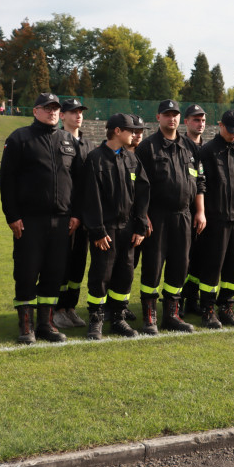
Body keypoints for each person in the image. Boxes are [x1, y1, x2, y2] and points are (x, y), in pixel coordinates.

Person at [0, 93, 83, 344]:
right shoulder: (19, 138)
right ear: (35, 111)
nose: (52, 112)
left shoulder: (69, 140)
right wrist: (12, 216)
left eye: (56, 108)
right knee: (26, 272)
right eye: (47, 108)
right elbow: (6, 181)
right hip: (29, 221)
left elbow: (80, 182)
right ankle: (26, 327)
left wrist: (76, 214)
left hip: (62, 221)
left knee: (54, 273)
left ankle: (46, 325)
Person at [135, 99, 205, 334]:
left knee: (179, 265)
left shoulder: (190, 147)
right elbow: (139, 186)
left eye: (175, 114)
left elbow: (199, 180)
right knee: (153, 266)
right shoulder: (147, 147)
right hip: (157, 217)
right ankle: (149, 317)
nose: (172, 118)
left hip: (184, 216)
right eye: (167, 114)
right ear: (158, 118)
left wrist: (200, 211)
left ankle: (172, 315)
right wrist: (143, 215)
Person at [82, 114, 150, 340]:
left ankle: (118, 318)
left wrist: (140, 227)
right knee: (101, 275)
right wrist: (98, 231)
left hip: (128, 230)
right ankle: (96, 320)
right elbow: (90, 198)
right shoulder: (95, 159)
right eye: (131, 130)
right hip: (106, 230)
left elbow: (142, 194)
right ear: (117, 131)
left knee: (125, 274)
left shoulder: (132, 160)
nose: (135, 134)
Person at [194, 110, 234, 329]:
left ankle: (226, 308)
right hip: (216, 218)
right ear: (221, 126)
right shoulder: (207, 151)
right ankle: (208, 310)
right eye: (231, 130)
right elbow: (202, 184)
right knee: (212, 265)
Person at [55, 98, 92, 329]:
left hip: (84, 215)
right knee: (62, 262)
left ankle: (70, 307)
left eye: (80, 112)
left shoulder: (88, 144)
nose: (77, 115)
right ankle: (57, 309)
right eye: (72, 112)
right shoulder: (56, 140)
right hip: (64, 214)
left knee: (78, 263)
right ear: (62, 116)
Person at [180, 103, 207, 314]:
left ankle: (192, 299)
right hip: (183, 212)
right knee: (182, 258)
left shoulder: (207, 149)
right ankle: (176, 301)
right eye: (196, 120)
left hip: (204, 212)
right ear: (186, 121)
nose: (200, 124)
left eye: (203, 120)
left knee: (199, 258)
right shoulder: (180, 146)